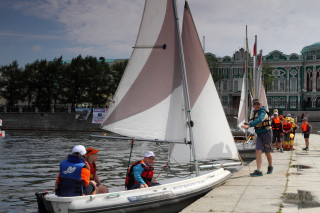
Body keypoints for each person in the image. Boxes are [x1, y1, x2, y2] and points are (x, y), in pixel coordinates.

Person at [241, 99, 273, 176]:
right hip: (259, 134)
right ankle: (258, 170)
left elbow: (260, 119)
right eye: (255, 104)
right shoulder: (254, 113)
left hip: (266, 133)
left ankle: (270, 166)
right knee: (257, 151)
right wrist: (248, 123)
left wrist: (249, 125)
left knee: (267, 151)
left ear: (261, 105)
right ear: (253, 106)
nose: (257, 105)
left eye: (258, 104)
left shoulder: (263, 112)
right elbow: (254, 121)